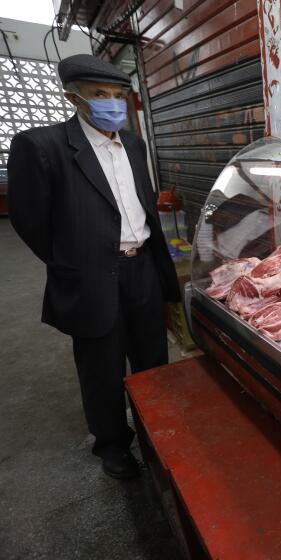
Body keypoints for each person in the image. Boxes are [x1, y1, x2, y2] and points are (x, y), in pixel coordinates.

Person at [7, 55, 181, 479]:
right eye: (100, 95)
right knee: (101, 368)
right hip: (91, 276)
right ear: (74, 97)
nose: (112, 104)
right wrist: (74, 260)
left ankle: (157, 432)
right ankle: (113, 447)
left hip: (142, 270)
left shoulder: (134, 145)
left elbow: (144, 205)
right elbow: (30, 222)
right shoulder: (41, 146)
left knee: (152, 359)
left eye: (118, 95)